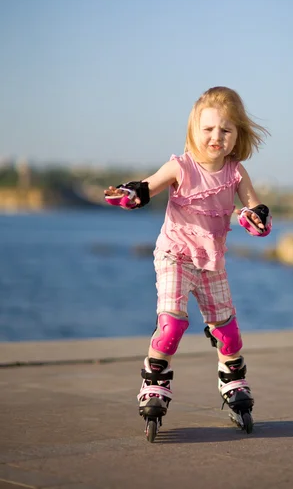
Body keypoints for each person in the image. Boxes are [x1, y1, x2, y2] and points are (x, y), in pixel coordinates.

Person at [104, 87, 272, 436]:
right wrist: (133, 194)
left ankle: (234, 383)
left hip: (212, 262)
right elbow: (148, 186)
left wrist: (255, 218)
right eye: (208, 129)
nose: (216, 137)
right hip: (175, 255)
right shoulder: (180, 166)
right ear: (194, 130)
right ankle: (154, 382)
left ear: (237, 133)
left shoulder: (236, 173)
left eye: (225, 130)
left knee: (227, 332)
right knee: (172, 325)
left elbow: (254, 208)